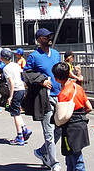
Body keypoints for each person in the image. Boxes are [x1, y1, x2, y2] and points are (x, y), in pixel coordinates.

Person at [23, 28, 62, 171]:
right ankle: (54, 163)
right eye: (46, 38)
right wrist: (41, 81)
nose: (49, 39)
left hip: (60, 96)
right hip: (45, 98)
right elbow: (26, 74)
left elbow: (61, 71)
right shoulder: (34, 56)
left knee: (60, 129)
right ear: (39, 40)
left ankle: (42, 151)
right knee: (49, 131)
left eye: (50, 37)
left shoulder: (56, 54)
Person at [52, 61, 91, 171]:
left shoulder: (63, 94)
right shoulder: (78, 87)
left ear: (56, 79)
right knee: (71, 157)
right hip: (81, 125)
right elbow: (89, 107)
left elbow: (61, 117)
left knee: (76, 159)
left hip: (70, 129)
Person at [1, 48, 32, 145]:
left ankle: (19, 136)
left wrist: (10, 96)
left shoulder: (6, 69)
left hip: (16, 90)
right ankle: (24, 128)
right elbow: (21, 71)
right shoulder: (15, 64)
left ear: (2, 58)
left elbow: (11, 82)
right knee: (17, 111)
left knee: (15, 114)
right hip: (22, 88)